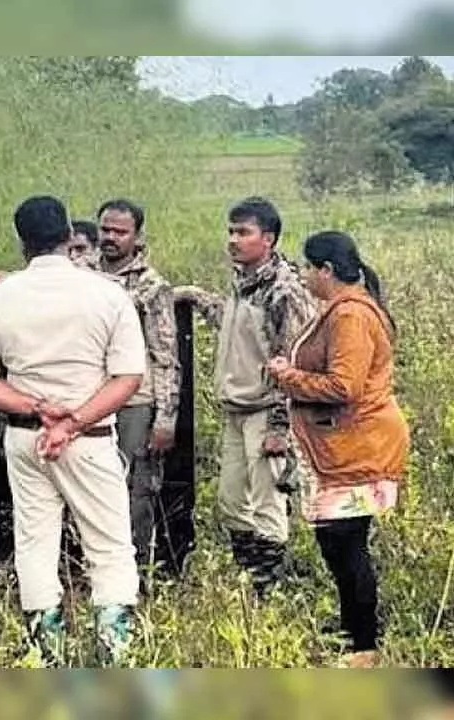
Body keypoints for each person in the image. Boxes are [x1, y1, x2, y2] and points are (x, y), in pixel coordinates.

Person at [0, 195, 146, 667]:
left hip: (25, 440)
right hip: (91, 440)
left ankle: (50, 657)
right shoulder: (108, 293)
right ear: (69, 235)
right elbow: (128, 377)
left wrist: (38, 407)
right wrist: (73, 421)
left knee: (36, 544)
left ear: (22, 241)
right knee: (109, 548)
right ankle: (114, 656)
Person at [264, 230, 408, 669]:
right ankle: (354, 632)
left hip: (359, 449)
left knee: (346, 545)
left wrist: (287, 376)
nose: (305, 276)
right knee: (340, 543)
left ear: (326, 270)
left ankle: (364, 645)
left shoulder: (349, 315)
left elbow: (343, 386)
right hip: (351, 445)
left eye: (309, 267)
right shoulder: (345, 309)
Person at [174, 196, 316, 599]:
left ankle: (269, 590)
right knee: (232, 502)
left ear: (268, 238)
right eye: (231, 231)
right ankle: (248, 577)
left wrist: (279, 428)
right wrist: (196, 298)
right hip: (236, 409)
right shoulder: (244, 281)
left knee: (268, 503)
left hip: (266, 412)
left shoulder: (284, 290)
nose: (233, 240)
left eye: (243, 232)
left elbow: (292, 362)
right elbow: (235, 326)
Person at [95, 199, 181, 582]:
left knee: (137, 492)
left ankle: (137, 576)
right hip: (91, 402)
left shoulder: (151, 287)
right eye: (106, 230)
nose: (110, 238)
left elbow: (165, 356)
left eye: (120, 232)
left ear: (137, 236)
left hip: (135, 402)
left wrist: (165, 419)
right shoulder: (83, 276)